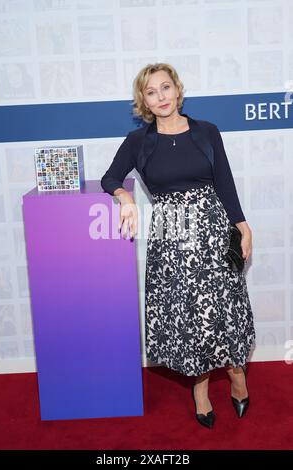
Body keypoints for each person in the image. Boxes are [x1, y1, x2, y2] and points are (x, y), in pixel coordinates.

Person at [101, 63, 256, 429]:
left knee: (226, 307)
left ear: (177, 90)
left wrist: (243, 226)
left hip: (214, 230)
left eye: (166, 88)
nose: (161, 97)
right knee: (188, 317)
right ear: (144, 102)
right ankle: (199, 389)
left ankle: (237, 375)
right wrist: (123, 196)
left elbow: (225, 183)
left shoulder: (206, 132)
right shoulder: (138, 141)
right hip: (171, 237)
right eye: (151, 92)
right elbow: (110, 176)